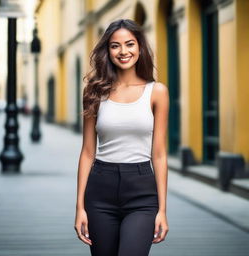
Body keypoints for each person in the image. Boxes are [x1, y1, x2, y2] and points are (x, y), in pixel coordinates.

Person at [74, 18, 169, 256]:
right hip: (100, 191)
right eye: (115, 45)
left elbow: (158, 154)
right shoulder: (94, 92)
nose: (123, 51)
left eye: (130, 44)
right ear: (107, 50)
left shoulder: (156, 92)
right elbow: (87, 152)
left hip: (142, 192)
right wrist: (79, 207)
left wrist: (163, 210)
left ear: (140, 47)